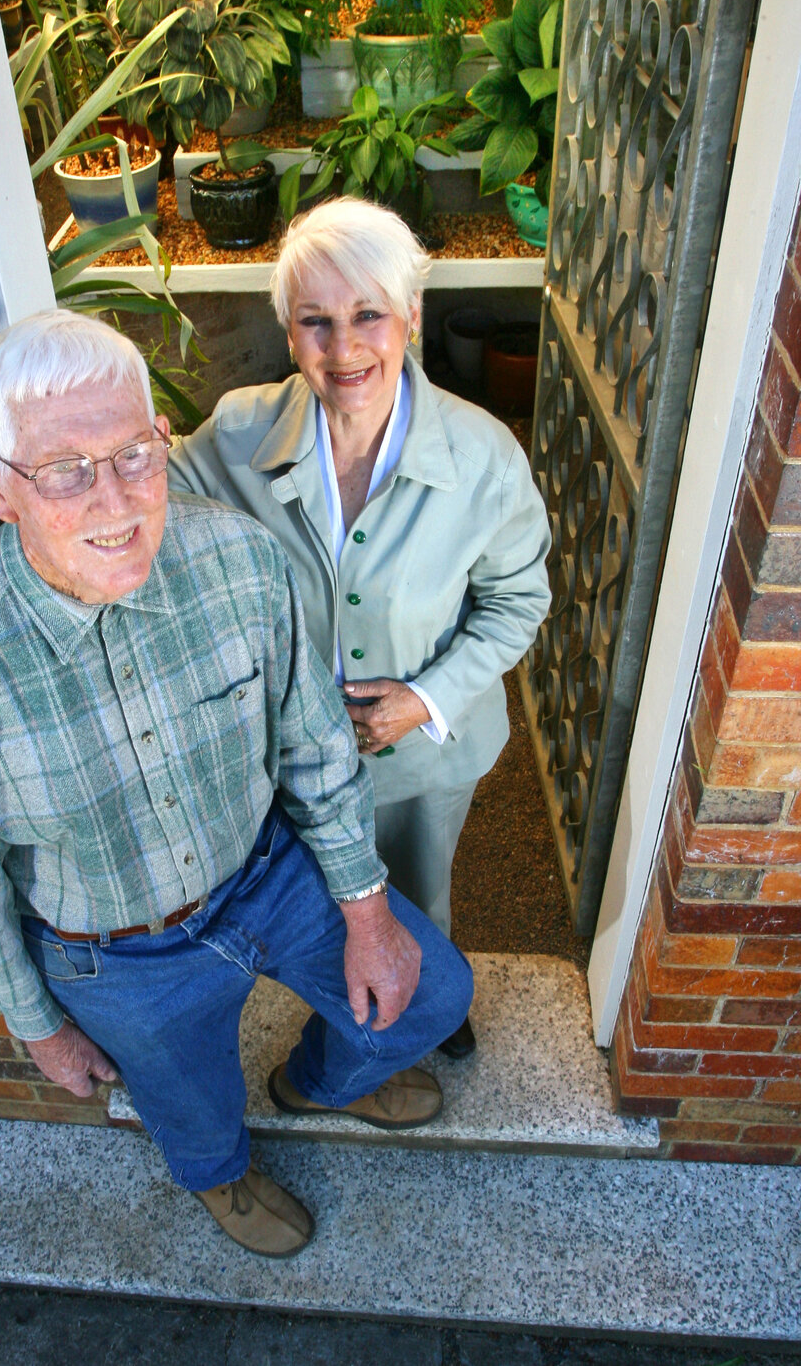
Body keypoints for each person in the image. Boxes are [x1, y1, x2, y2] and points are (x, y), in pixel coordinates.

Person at [0, 309, 472, 1261]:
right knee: (189, 1110)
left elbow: (317, 749)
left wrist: (367, 913)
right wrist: (39, 1027)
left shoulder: (239, 560)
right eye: (66, 471)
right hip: (112, 954)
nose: (116, 501)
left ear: (164, 442)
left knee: (433, 994)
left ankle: (320, 1081)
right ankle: (223, 1177)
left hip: (265, 873)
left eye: (134, 455)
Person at [168, 198, 552, 1060]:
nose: (345, 349)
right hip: (299, 754)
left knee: (421, 882)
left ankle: (433, 999)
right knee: (322, 891)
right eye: (316, 322)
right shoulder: (238, 433)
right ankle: (347, 1000)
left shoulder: (485, 456)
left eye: (368, 314)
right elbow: (149, 490)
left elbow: (518, 599)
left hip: (430, 749)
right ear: (290, 331)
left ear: (411, 315)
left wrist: (422, 698)